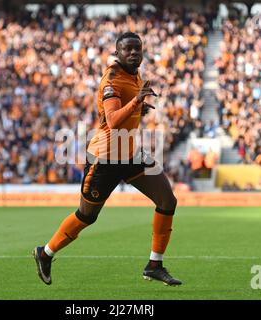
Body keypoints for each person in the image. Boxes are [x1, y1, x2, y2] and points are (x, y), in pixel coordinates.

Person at [32, 32, 182, 286]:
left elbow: (125, 114)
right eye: (128, 49)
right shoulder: (111, 80)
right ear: (117, 53)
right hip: (105, 158)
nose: (134, 53)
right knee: (86, 216)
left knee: (167, 200)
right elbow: (112, 121)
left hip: (130, 153)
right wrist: (136, 101)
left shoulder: (135, 76)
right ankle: (45, 253)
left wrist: (139, 108)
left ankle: (154, 265)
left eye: (138, 49)